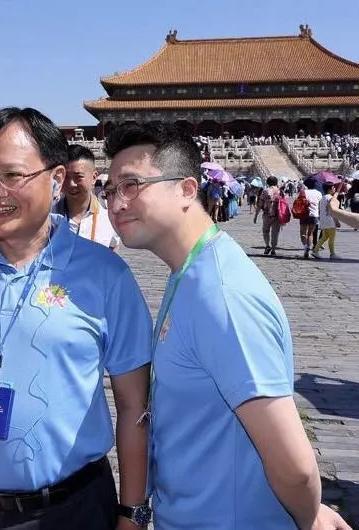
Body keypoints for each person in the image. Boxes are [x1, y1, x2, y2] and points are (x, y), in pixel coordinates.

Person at [103, 122, 350, 529]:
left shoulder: (221, 295)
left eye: (132, 185)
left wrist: (310, 518)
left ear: (186, 189)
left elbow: (296, 467)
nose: (116, 203)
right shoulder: (189, 272)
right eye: (111, 190)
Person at [0, 107, 152, 530]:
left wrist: (132, 514)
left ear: (57, 178)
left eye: (12, 175)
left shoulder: (105, 275)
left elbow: (134, 404)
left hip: (75, 509)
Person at [52, 144, 120, 250]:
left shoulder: (108, 218)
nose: (71, 184)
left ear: (94, 177)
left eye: (78, 177)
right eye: (66, 177)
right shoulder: (48, 216)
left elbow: (113, 246)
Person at [253, 175, 282, 256]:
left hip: (267, 214)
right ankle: (273, 249)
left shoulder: (265, 191)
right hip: (277, 214)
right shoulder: (280, 191)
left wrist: (256, 216)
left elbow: (259, 205)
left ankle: (267, 245)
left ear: (268, 182)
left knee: (266, 231)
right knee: (275, 233)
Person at [312, 183, 340, 259]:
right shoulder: (331, 198)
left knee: (324, 237)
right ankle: (332, 254)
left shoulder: (323, 198)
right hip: (330, 221)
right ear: (329, 189)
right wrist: (337, 221)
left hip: (324, 220)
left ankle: (315, 250)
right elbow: (333, 211)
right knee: (331, 238)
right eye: (333, 188)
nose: (334, 189)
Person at [303, 178, 323, 258]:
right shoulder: (318, 193)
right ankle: (309, 247)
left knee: (303, 233)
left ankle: (305, 247)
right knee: (310, 233)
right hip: (314, 214)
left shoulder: (303, 192)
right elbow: (320, 205)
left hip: (304, 214)